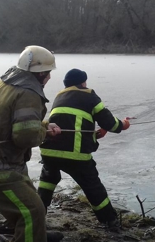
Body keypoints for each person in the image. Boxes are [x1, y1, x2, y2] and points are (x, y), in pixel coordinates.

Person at [0, 46, 64, 242]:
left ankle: (28, 231)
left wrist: (42, 125)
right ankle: (30, 232)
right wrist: (44, 131)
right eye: (48, 73)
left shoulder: (6, 82)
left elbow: (14, 126)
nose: (49, 78)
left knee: (29, 197)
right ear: (40, 73)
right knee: (33, 210)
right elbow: (24, 137)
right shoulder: (28, 94)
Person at [37, 68, 131, 228]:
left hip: (49, 151)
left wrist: (93, 135)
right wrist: (124, 124)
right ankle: (110, 221)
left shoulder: (60, 96)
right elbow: (110, 123)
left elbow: (70, 126)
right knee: (92, 186)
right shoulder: (89, 95)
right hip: (75, 155)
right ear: (83, 83)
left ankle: (37, 215)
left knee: (48, 180)